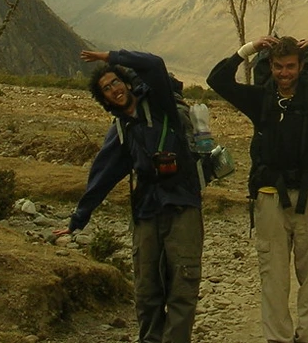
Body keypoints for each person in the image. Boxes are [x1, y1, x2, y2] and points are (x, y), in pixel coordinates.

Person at [206, 35, 308, 343]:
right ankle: (278, 338)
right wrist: (249, 49)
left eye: (290, 66)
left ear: (301, 66)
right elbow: (217, 80)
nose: (284, 73)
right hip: (270, 195)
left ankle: (306, 336)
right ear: (270, 66)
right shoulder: (260, 99)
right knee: (273, 273)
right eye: (278, 67)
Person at [54, 49, 203, 343]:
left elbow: (155, 64)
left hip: (183, 204)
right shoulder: (121, 131)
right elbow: (101, 177)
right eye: (106, 89)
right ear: (105, 100)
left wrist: (110, 57)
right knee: (146, 289)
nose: (114, 89)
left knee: (182, 286)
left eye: (115, 82)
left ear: (126, 82)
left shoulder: (160, 104)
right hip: (146, 210)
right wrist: (77, 220)